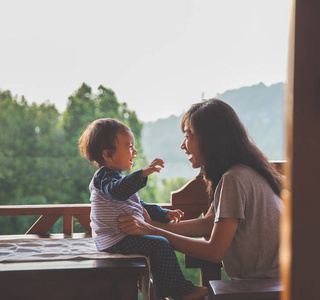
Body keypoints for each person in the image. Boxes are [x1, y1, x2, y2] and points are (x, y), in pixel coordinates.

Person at [118, 99, 283, 280]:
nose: (183, 145)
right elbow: (208, 224)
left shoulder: (233, 179)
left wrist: (151, 231)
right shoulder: (243, 172)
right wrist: (151, 225)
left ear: (211, 138)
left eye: (188, 135)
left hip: (266, 287)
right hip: (277, 282)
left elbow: (214, 252)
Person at [78, 118, 208, 300]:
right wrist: (142, 173)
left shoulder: (116, 177)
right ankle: (180, 292)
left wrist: (164, 213)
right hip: (115, 240)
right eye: (129, 146)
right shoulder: (104, 178)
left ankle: (166, 294)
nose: (135, 151)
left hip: (122, 236)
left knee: (159, 245)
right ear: (108, 155)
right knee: (161, 244)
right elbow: (119, 191)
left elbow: (138, 205)